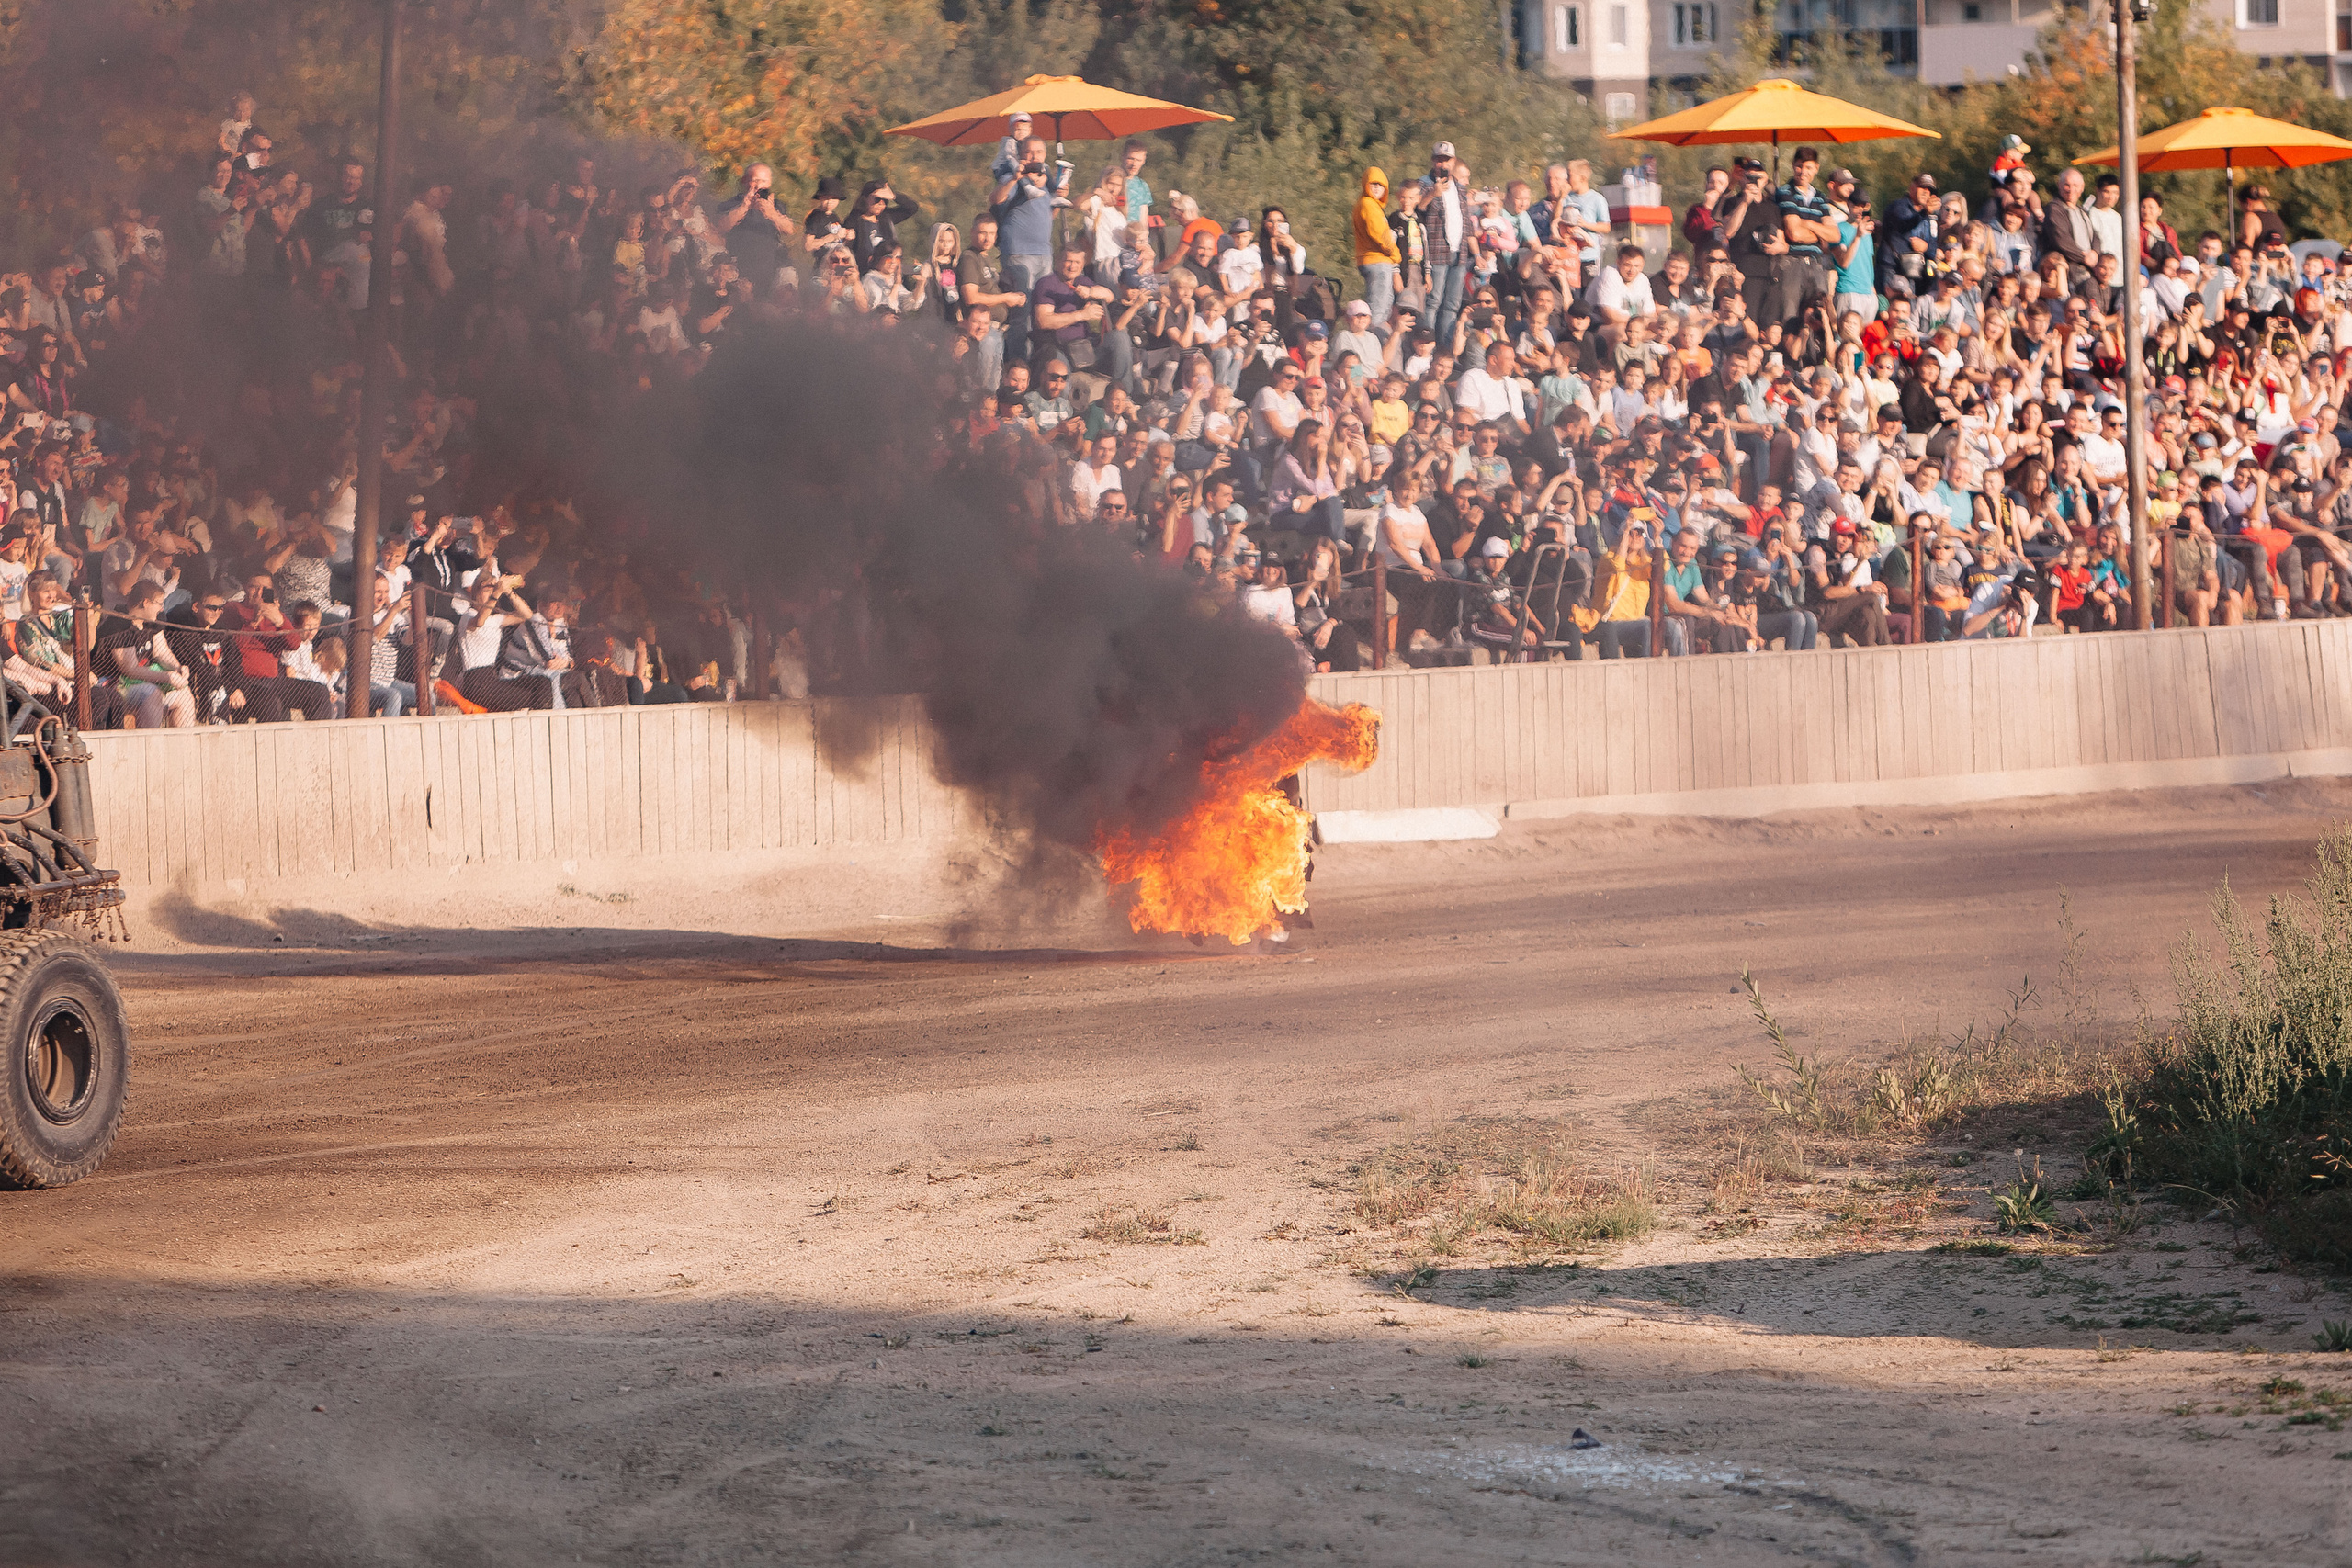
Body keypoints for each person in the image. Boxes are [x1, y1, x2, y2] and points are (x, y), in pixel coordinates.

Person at [1354, 168, 1400, 328]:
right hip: (1376, 261)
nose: (1376, 188)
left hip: (1373, 260)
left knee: (1383, 306)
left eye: (1381, 186)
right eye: (1373, 183)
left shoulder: (1370, 205)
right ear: (1365, 184)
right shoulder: (1368, 205)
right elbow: (1379, 234)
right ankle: (1372, 342)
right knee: (1379, 309)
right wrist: (1395, 254)